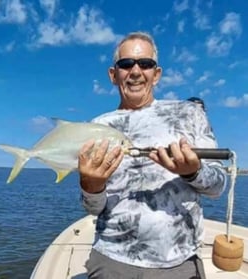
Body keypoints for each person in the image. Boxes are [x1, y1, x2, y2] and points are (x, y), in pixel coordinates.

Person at [78, 31, 227, 279]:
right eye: (126, 64)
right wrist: (91, 185)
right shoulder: (97, 127)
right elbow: (93, 209)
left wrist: (192, 172)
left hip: (177, 264)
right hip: (112, 260)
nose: (136, 71)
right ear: (113, 75)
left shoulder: (189, 114)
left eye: (145, 64)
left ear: (156, 74)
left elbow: (218, 186)